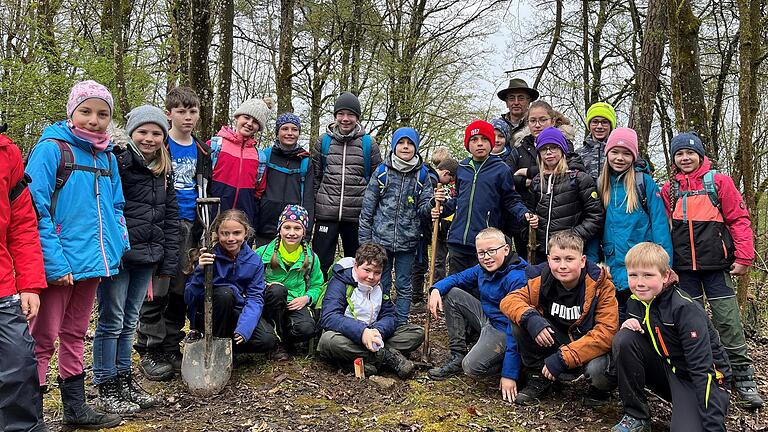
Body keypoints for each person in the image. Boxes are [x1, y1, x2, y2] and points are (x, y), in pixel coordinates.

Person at [25, 80, 124, 429]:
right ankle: (30, 417)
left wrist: (114, 249)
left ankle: (75, 409)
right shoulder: (52, 149)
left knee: (76, 334)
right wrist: (54, 262)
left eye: (102, 114)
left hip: (93, 263)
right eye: (86, 111)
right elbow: (34, 209)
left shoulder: (108, 155)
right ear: (72, 112)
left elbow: (115, 207)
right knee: (43, 339)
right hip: (59, 265)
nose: (94, 120)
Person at [660, 132, 764, 408]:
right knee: (693, 325)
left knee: (728, 322)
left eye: (690, 153)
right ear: (674, 159)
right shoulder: (669, 190)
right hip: (684, 270)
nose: (685, 158)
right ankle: (705, 372)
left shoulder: (718, 182)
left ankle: (744, 378)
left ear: (701, 155)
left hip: (718, 268)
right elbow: (660, 226)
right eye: (679, 154)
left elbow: (739, 219)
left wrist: (744, 257)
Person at [92, 106, 179, 414]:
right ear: (131, 133)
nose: (149, 138)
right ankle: (106, 383)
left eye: (156, 133)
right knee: (112, 320)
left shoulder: (163, 170)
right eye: (143, 132)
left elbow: (170, 217)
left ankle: (124, 378)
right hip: (118, 255)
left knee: (130, 321)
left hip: (147, 256)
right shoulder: (118, 160)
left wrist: (167, 263)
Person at [136, 86, 212, 381]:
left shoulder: (203, 150)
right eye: (181, 111)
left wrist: (207, 227)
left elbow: (206, 190)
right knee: (158, 288)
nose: (188, 117)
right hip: (162, 224)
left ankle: (170, 345)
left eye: (192, 111)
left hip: (192, 225)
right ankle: (149, 348)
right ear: (169, 114)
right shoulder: (159, 144)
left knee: (182, 288)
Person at [611, 242, 730, 432]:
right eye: (633, 275)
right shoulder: (635, 302)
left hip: (702, 380)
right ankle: (636, 415)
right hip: (670, 371)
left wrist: (713, 425)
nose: (639, 282)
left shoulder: (684, 308)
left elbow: (702, 370)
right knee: (624, 338)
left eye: (648, 275)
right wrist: (631, 326)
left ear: (665, 275)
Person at [500, 231, 617, 406]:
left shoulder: (600, 285)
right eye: (557, 259)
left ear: (582, 260)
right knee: (521, 321)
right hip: (555, 341)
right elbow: (509, 300)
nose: (562, 266)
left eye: (569, 259)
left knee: (598, 370)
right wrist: (532, 319)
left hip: (586, 345)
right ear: (548, 260)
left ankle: (599, 390)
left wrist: (564, 358)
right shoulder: (540, 278)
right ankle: (539, 376)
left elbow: (607, 332)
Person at [427, 228, 527, 403]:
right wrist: (436, 289)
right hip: (487, 317)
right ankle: (457, 355)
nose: (486, 257)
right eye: (481, 253)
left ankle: (517, 368)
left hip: (504, 329)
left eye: (491, 251)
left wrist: (509, 373)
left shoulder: (517, 278)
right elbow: (458, 277)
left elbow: (515, 330)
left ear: (506, 249)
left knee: (472, 367)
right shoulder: (483, 268)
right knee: (453, 294)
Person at [433, 120, 537, 279]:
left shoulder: (501, 170)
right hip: (457, 240)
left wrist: (524, 214)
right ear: (468, 144)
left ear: (491, 142)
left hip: (485, 243)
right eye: (474, 140)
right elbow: (458, 199)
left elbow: (511, 200)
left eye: (484, 139)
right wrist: (441, 208)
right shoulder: (462, 168)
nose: (479, 144)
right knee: (456, 285)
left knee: (481, 287)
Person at [359, 127, 433, 326]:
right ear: (394, 146)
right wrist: (365, 243)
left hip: (408, 242)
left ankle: (400, 323)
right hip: (380, 240)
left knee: (403, 284)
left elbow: (425, 209)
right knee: (380, 283)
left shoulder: (423, 176)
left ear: (416, 147)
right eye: (401, 143)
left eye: (410, 143)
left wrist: (434, 205)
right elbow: (367, 209)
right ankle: (381, 320)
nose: (405, 147)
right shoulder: (382, 172)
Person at [0, 132, 49, 432]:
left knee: (19, 364)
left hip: (4, 286)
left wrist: (30, 284)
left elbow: (22, 224)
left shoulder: (7, 153)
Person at [317, 243, 424, 378]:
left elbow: (390, 315)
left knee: (416, 332)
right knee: (328, 341)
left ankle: (360, 361)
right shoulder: (340, 282)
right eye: (367, 270)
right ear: (356, 266)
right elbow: (329, 317)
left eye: (377, 272)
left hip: (374, 334)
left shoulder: (379, 286)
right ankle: (387, 357)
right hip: (347, 336)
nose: (371, 277)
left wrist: (378, 330)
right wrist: (362, 332)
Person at [598, 128, 672, 322]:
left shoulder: (643, 182)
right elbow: (595, 227)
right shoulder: (601, 185)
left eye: (626, 153)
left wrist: (667, 266)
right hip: (613, 268)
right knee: (618, 321)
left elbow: (660, 225)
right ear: (607, 154)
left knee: (646, 320)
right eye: (615, 152)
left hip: (642, 267)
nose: (620, 158)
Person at [185, 209, 277, 356]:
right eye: (225, 233)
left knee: (266, 340)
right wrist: (200, 271)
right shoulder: (208, 257)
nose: (230, 238)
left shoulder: (254, 261)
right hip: (210, 316)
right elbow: (189, 298)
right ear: (217, 233)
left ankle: (229, 351)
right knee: (224, 293)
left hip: (236, 312)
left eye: (236, 233)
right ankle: (213, 346)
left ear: (245, 232)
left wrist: (244, 327)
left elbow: (255, 298)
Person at [312, 92, 382, 275]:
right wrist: (313, 209)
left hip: (357, 216)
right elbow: (315, 177)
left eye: (350, 114)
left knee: (357, 264)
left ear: (357, 117)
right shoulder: (323, 141)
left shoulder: (369, 144)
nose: (345, 119)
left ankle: (353, 301)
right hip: (326, 213)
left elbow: (377, 182)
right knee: (320, 262)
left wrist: (372, 214)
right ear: (335, 116)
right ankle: (318, 300)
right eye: (340, 114)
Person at [254, 205, 323, 360]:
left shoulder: (311, 257)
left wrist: (307, 298)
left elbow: (317, 284)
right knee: (278, 291)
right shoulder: (262, 253)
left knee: (306, 328)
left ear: (304, 232)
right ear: (280, 229)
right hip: (269, 304)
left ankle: (287, 338)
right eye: (287, 227)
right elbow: (249, 281)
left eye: (297, 228)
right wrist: (266, 286)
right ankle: (275, 342)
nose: (292, 233)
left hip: (294, 303)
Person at [529, 127, 603, 264]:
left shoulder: (580, 179)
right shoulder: (537, 181)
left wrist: (573, 236)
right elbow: (531, 211)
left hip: (571, 253)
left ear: (562, 150)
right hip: (542, 254)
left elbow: (595, 216)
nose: (549, 153)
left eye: (554, 148)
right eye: (544, 149)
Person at [505, 100, 557, 260]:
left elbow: (562, 170)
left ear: (552, 121)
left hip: (554, 218)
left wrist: (529, 173)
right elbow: (507, 177)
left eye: (543, 120)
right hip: (525, 217)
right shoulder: (520, 149)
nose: (537, 125)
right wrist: (523, 182)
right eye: (533, 121)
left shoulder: (561, 145)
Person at [253, 113, 315, 247]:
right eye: (285, 129)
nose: (289, 133)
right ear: (277, 132)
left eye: (294, 129)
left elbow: (309, 198)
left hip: (293, 228)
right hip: (265, 227)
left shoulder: (305, 161)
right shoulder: (265, 156)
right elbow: (256, 191)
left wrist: (307, 231)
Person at [208, 98, 271, 227]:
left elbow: (258, 192)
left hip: (242, 222)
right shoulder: (216, 145)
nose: (249, 123)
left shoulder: (259, 157)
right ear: (237, 117)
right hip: (213, 217)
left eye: (255, 122)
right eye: (246, 117)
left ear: (259, 127)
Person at [411, 152, 456, 305]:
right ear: (446, 173)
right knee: (420, 262)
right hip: (419, 228)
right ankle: (416, 299)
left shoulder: (426, 174)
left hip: (418, 227)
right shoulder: (431, 180)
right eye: (450, 179)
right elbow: (425, 207)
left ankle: (415, 297)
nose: (449, 183)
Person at [577, 102, 616, 181]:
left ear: (611, 125)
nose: (599, 126)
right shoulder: (578, 154)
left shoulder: (619, 151)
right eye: (595, 122)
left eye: (604, 122)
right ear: (589, 125)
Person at [497, 78, 539, 145]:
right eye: (512, 98)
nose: (516, 102)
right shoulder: (498, 126)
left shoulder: (537, 124)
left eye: (521, 98)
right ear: (507, 103)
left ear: (529, 101)